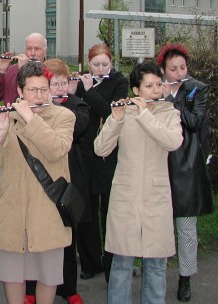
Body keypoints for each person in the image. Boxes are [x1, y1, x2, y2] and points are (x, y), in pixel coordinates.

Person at [0, 61, 75, 304]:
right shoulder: (6, 118)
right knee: (12, 275)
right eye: (32, 90)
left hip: (48, 212)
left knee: (48, 276)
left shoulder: (64, 116)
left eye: (44, 89)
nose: (39, 95)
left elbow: (56, 149)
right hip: (13, 210)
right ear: (20, 91)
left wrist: (30, 118)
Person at [94, 61, 182, 304]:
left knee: (155, 265)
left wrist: (144, 114)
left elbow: (173, 142)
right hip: (126, 197)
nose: (155, 91)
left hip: (156, 198)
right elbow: (100, 148)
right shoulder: (124, 113)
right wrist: (116, 120)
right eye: (148, 86)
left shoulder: (169, 113)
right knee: (121, 264)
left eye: (158, 85)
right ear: (136, 90)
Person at [25, 58, 90, 304]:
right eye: (55, 84)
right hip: (40, 181)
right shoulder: (33, 109)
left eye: (65, 83)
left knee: (66, 239)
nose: (60, 89)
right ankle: (31, 290)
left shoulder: (76, 106)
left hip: (69, 181)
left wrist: (66, 101)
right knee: (35, 240)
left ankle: (69, 288)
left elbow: (80, 126)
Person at [156, 43, 213, 302]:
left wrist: (170, 100)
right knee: (159, 223)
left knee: (187, 227)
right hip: (160, 163)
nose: (178, 73)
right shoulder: (154, 88)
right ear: (163, 70)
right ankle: (155, 274)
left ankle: (185, 277)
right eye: (173, 69)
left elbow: (193, 123)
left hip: (187, 165)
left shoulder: (196, 89)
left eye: (182, 68)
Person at [73, 44, 128, 282]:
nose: (100, 68)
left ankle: (111, 261)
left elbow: (110, 112)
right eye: (96, 64)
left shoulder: (119, 82)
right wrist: (81, 88)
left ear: (112, 63)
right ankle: (90, 261)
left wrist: (90, 91)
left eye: (105, 64)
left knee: (108, 211)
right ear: (88, 62)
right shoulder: (82, 80)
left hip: (108, 155)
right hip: (85, 154)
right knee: (86, 211)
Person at [0, 33, 47, 104]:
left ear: (45, 51)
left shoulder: (50, 71)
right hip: (10, 114)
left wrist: (23, 70)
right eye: (29, 49)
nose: (32, 53)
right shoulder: (12, 70)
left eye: (37, 49)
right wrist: (1, 72)